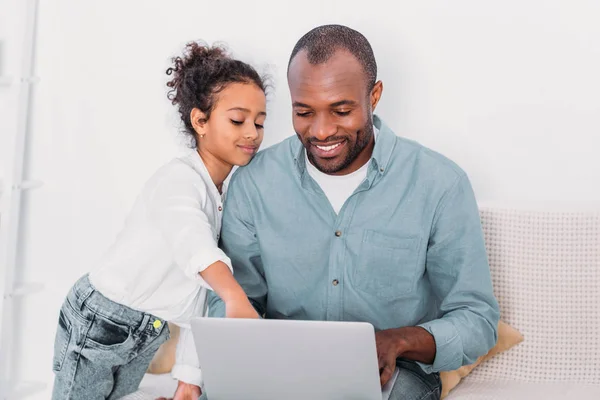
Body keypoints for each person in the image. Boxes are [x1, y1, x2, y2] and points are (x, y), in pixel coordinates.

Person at [204, 24, 500, 400]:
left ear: (374, 96)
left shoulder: (440, 184)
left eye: (341, 110)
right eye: (304, 112)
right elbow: (235, 298)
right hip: (282, 366)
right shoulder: (254, 183)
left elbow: (477, 319)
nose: (322, 131)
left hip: (396, 374)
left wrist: (399, 341)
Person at [50, 41, 266, 400]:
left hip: (149, 330)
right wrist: (234, 295)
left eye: (259, 122)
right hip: (101, 317)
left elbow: (199, 293)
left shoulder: (226, 197)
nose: (253, 133)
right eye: (238, 120)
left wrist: (189, 377)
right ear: (200, 121)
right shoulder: (179, 180)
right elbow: (192, 244)